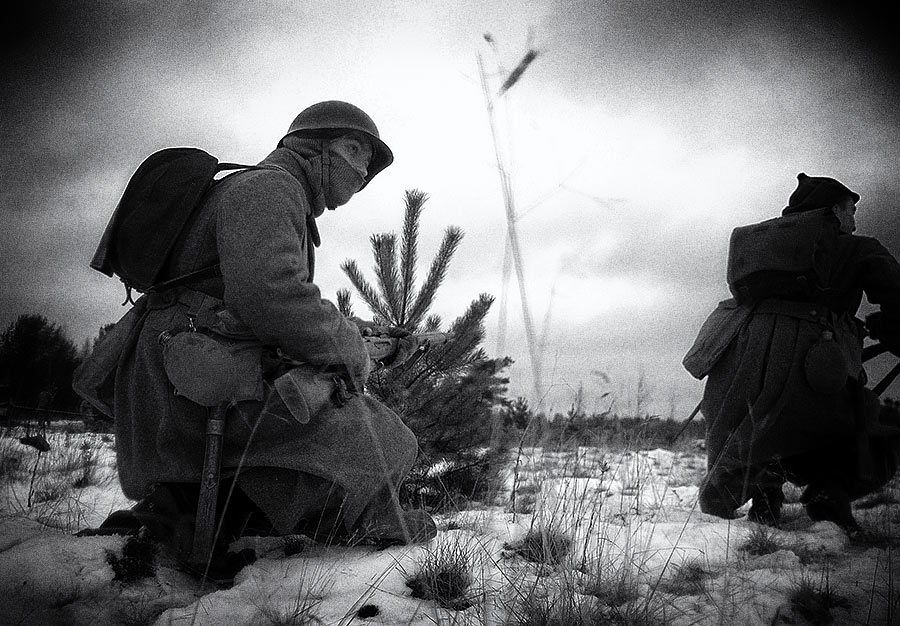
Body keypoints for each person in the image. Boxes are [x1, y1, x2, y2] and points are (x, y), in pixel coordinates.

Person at [74, 101, 435, 573]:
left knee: (366, 433)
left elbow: (256, 297)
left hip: (187, 371)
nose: (362, 170)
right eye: (353, 150)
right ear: (311, 148)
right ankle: (189, 515)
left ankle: (191, 514)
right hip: (194, 380)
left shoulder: (265, 190)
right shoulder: (271, 188)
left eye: (368, 161)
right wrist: (351, 349)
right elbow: (270, 296)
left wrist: (360, 332)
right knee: (381, 437)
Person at [683, 173, 900, 532]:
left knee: (760, 425)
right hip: (817, 367)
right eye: (851, 210)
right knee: (880, 432)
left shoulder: (760, 252)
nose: (854, 219)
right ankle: (830, 490)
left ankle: (764, 488)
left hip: (736, 363)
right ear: (834, 210)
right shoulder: (857, 248)